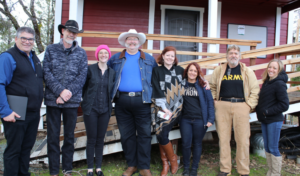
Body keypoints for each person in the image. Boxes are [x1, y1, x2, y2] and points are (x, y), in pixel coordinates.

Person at [107, 29, 158, 176]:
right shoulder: (116, 59)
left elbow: (156, 79)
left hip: (142, 101)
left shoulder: (149, 59)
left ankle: (144, 167)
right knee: (126, 134)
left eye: (135, 39)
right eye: (129, 39)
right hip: (122, 101)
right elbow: (107, 76)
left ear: (139, 42)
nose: (132, 41)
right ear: (125, 42)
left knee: (144, 134)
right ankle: (131, 165)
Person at [43, 20, 88, 176]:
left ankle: (67, 169)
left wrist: (67, 94)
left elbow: (82, 76)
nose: (72, 34)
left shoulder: (81, 53)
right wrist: (60, 92)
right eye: (69, 31)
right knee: (53, 136)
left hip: (72, 101)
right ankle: (54, 171)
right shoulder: (50, 49)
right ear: (63, 31)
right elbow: (46, 73)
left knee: (69, 137)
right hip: (53, 100)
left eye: (74, 32)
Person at [210, 45, 260, 176]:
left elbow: (255, 90)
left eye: (236, 53)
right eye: (231, 53)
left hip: (241, 106)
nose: (233, 55)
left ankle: (243, 170)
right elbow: (212, 86)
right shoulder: (219, 70)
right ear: (227, 56)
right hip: (222, 106)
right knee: (223, 139)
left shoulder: (247, 71)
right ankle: (225, 169)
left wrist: (249, 106)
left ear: (240, 56)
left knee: (243, 140)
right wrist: (215, 101)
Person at [0, 27, 43, 176]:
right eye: (23, 38)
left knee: (26, 149)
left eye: (30, 39)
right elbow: (0, 84)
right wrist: (5, 111)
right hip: (15, 111)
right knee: (14, 150)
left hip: (32, 113)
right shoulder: (8, 57)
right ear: (16, 39)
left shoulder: (34, 58)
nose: (27, 41)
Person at [81, 45, 115, 176]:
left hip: (105, 110)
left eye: (106, 53)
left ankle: (98, 167)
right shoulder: (90, 70)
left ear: (108, 55)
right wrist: (85, 103)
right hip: (91, 109)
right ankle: (90, 168)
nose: (103, 55)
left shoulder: (112, 72)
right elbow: (84, 89)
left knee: (100, 139)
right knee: (91, 139)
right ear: (97, 55)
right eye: (101, 53)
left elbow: (112, 90)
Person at [151, 46, 185, 176]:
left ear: (174, 58)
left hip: (178, 108)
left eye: (172, 55)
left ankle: (170, 162)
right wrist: (165, 108)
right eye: (168, 55)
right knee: (161, 133)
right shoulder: (157, 71)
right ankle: (168, 162)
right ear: (163, 56)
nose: (170, 58)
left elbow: (192, 80)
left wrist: (205, 83)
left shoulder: (180, 70)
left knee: (161, 133)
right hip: (161, 107)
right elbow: (156, 89)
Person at [180, 62, 215, 176]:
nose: (192, 73)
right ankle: (186, 168)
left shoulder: (203, 85)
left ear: (198, 73)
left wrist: (210, 119)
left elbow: (210, 102)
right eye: (190, 70)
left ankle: (194, 168)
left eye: (195, 71)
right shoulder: (181, 84)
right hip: (185, 119)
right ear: (187, 71)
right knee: (185, 144)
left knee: (197, 143)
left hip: (200, 119)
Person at [256, 59, 289, 176]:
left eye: (275, 68)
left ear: (279, 70)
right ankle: (270, 172)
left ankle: (275, 173)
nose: (271, 70)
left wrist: (267, 111)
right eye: (270, 67)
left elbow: (284, 105)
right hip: (265, 120)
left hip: (274, 120)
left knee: (273, 148)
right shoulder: (267, 82)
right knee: (267, 147)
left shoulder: (279, 84)